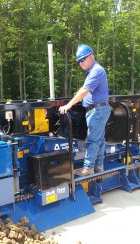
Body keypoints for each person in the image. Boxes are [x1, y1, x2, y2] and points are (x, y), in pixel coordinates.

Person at [59, 44, 111, 176]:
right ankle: (99, 166)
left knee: (93, 140)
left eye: (82, 59)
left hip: (97, 111)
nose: (80, 63)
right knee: (99, 139)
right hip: (98, 109)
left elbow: (84, 91)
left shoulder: (96, 71)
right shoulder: (92, 72)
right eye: (78, 61)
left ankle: (88, 168)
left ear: (90, 56)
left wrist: (68, 105)